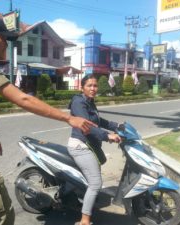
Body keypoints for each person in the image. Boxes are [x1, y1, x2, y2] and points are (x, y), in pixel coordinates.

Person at [0, 15, 95, 225]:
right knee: (2, 216)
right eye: (4, 38)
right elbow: (23, 98)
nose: (8, 45)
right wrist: (68, 118)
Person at [67, 74, 121, 225]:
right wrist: (107, 136)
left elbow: (98, 120)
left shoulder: (90, 102)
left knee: (91, 178)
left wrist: (118, 126)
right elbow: (87, 126)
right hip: (81, 145)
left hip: (91, 146)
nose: (93, 88)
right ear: (82, 87)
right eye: (89, 85)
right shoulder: (78, 102)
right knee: (96, 183)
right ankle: (84, 220)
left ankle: (80, 198)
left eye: (95, 86)